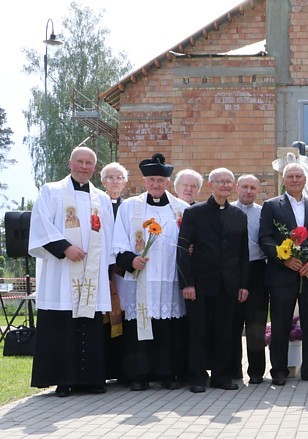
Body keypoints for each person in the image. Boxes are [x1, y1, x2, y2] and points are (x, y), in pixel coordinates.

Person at [28, 146, 115, 397]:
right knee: (63, 324)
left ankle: (93, 378)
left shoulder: (102, 198)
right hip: (62, 272)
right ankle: (64, 379)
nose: (84, 167)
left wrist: (105, 266)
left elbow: (107, 234)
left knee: (91, 323)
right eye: (80, 162)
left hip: (92, 273)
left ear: (94, 167)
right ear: (70, 163)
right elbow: (41, 224)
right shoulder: (51, 191)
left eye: (89, 163)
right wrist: (65, 247)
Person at [112, 153, 189, 391]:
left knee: (169, 328)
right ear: (144, 182)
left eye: (160, 180)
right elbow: (118, 242)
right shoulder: (129, 207)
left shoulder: (182, 209)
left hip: (170, 279)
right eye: (151, 180)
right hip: (140, 278)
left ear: (168, 182)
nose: (156, 184)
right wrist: (131, 260)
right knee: (140, 326)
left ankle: (169, 373)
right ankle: (139, 375)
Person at [259, 163, 308, 386]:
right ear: (283, 180)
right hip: (282, 275)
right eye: (289, 176)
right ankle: (279, 371)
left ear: (304, 180)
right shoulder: (271, 206)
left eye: (298, 176)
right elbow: (265, 238)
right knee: (280, 323)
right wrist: (285, 258)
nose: (294, 179)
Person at [177, 168, 250, 393]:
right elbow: (182, 249)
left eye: (230, 182)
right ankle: (197, 378)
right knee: (198, 331)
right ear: (211, 185)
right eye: (221, 182)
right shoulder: (194, 213)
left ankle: (222, 376)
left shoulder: (239, 215)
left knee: (224, 332)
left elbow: (243, 254)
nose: (226, 186)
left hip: (228, 285)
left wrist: (243, 284)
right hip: (199, 284)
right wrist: (186, 283)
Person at [230, 174, 269, 384]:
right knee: (232, 324)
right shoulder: (227, 212)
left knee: (256, 324)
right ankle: (234, 369)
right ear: (237, 187)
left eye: (253, 188)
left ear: (258, 190)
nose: (248, 191)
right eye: (244, 187)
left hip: (256, 271)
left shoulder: (264, 213)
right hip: (232, 271)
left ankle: (256, 372)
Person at [100, 162, 129, 382]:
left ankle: (122, 370)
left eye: (119, 178)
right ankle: (105, 369)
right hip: (102, 271)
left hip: (124, 273)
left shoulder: (130, 208)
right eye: (110, 177)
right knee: (103, 319)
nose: (115, 181)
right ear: (103, 182)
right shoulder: (96, 205)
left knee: (124, 317)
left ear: (125, 182)